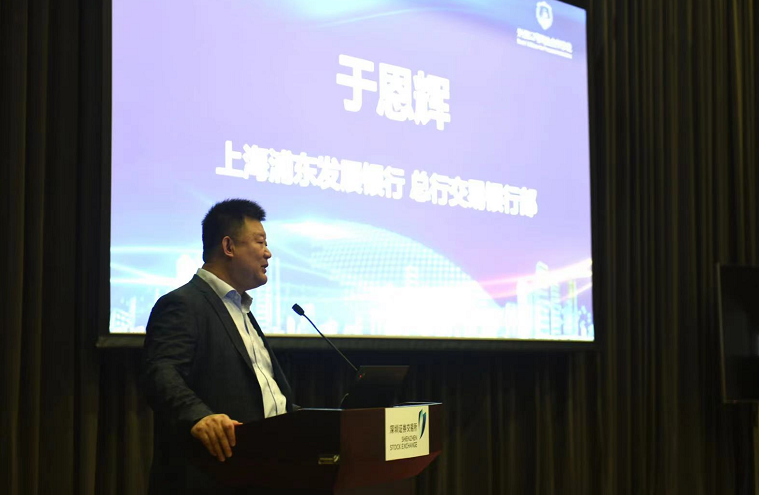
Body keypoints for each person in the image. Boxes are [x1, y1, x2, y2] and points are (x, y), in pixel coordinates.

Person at [140, 199, 294, 494]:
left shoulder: (242, 310)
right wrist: (199, 416)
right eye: (260, 242)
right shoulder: (183, 303)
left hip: (265, 471)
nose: (268, 252)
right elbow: (160, 371)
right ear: (228, 246)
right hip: (213, 475)